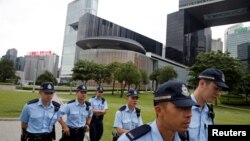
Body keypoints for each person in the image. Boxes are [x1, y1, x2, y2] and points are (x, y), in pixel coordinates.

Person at [117, 80, 196, 141]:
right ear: (159, 110)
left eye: (189, 107)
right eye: (181, 107)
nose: (189, 114)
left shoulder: (185, 138)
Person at [188, 68, 228, 141]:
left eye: (220, 90)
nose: (218, 94)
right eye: (216, 88)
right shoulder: (181, 109)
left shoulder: (209, 112)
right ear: (202, 83)